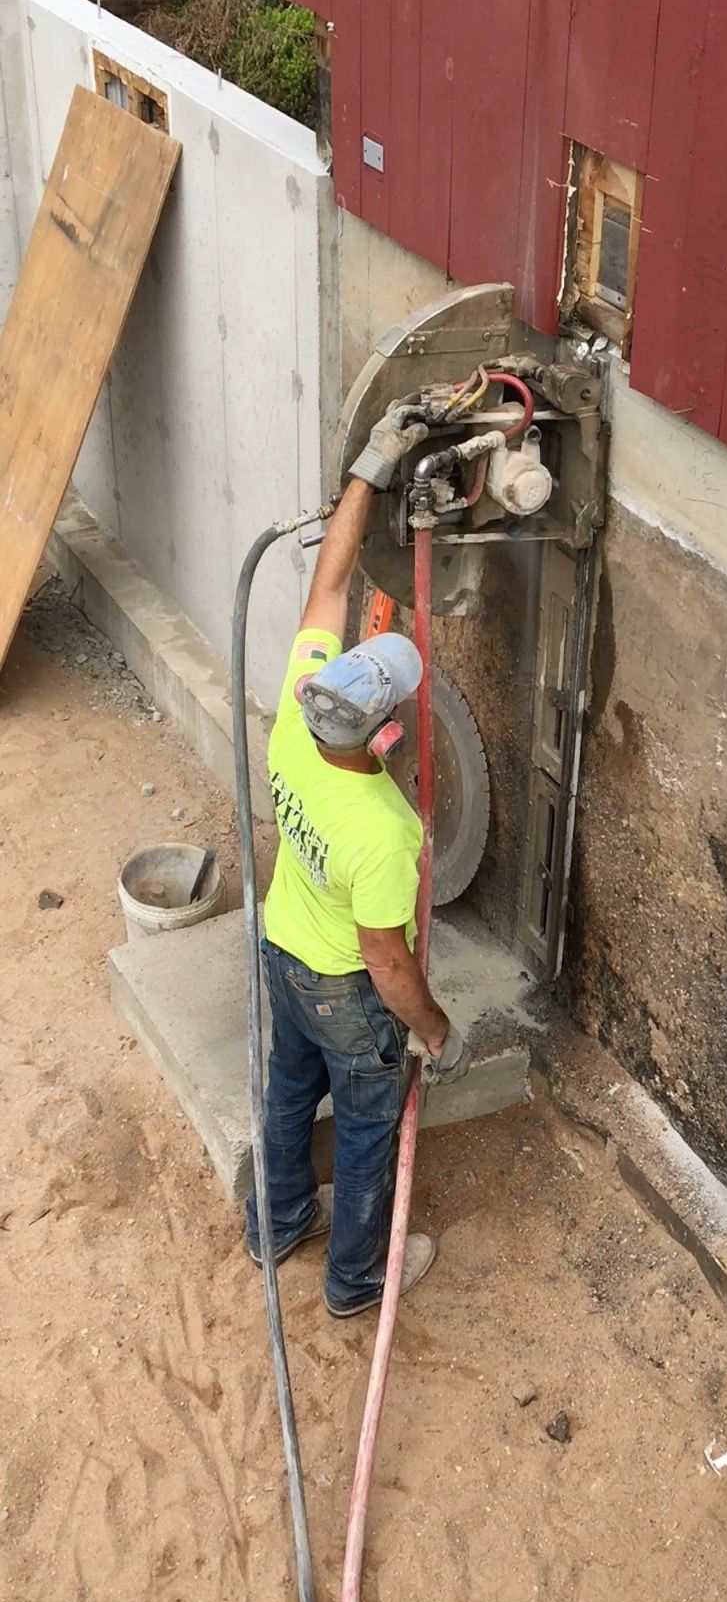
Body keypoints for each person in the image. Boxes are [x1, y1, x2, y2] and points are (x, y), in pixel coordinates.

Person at [245, 401, 463, 1317]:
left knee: (290, 1094)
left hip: (281, 948)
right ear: (381, 738)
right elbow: (386, 959)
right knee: (369, 1125)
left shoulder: (298, 722)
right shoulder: (384, 828)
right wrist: (437, 1031)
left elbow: (326, 587)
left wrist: (371, 468)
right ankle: (355, 1280)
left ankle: (278, 1220)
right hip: (341, 981)